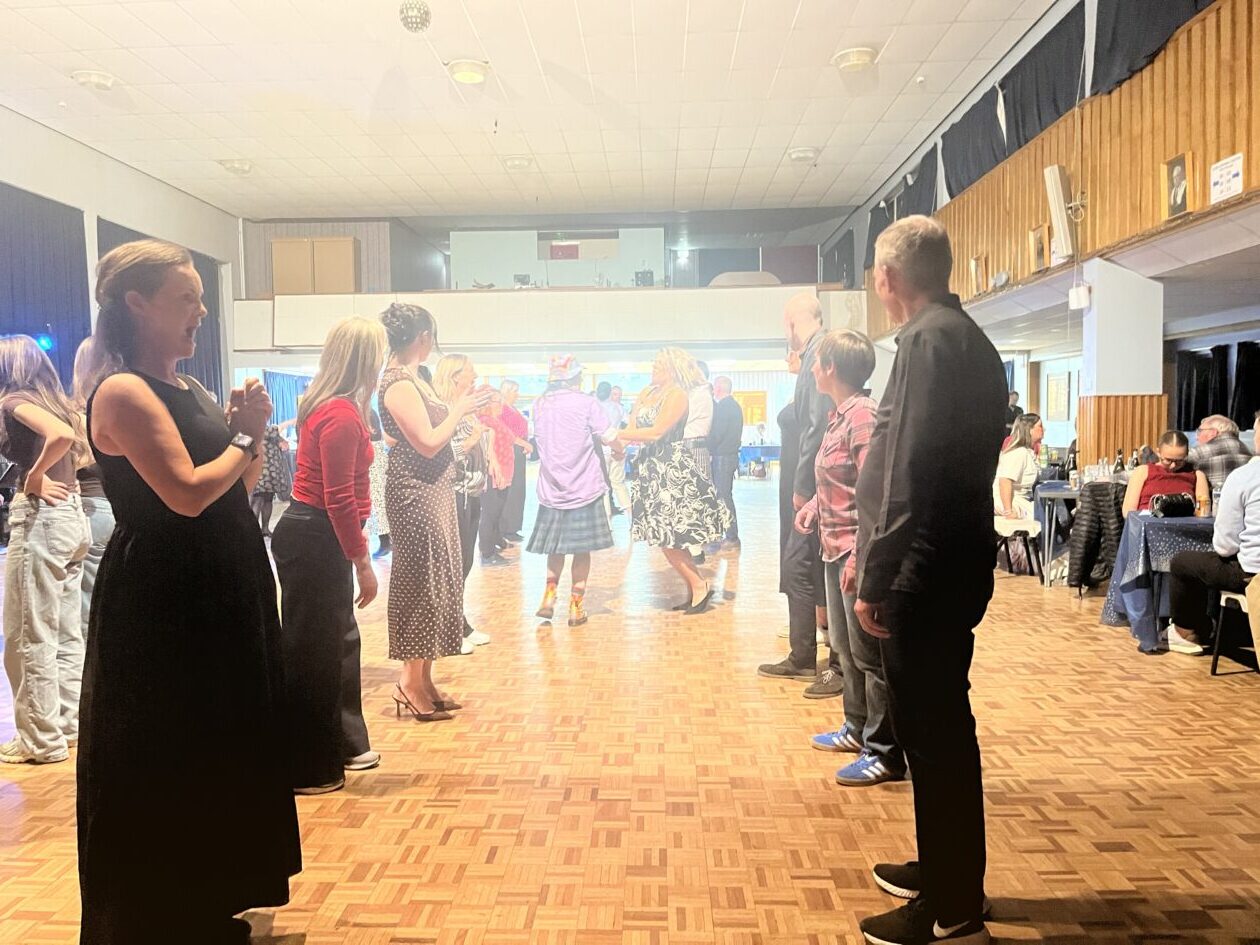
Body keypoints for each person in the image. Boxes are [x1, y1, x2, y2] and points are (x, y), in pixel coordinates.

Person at [80, 239, 300, 943]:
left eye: (201, 298)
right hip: (164, 604)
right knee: (164, 754)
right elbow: (183, 493)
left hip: (218, 595)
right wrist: (243, 437)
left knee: (216, 747)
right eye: (187, 298)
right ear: (136, 304)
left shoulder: (190, 387)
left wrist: (249, 436)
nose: (201, 311)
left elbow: (233, 483)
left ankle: (207, 901)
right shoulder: (122, 392)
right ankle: (158, 917)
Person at [853, 216, 1007, 945]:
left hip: (924, 568)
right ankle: (949, 872)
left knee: (933, 733)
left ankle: (949, 906)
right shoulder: (967, 335)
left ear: (888, 279)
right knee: (942, 729)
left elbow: (910, 469)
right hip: (955, 560)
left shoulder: (924, 341)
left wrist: (877, 572)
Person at [272, 317, 385, 796]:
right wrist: (363, 562)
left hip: (316, 534)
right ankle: (309, 765)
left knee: (334, 643)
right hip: (315, 534)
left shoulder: (334, 408)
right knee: (314, 653)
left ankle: (341, 745)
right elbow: (337, 498)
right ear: (367, 358)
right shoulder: (339, 414)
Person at [796, 330, 906, 788]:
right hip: (832, 546)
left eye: (817, 361)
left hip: (852, 553)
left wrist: (862, 559)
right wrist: (813, 507)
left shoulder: (861, 416)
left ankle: (884, 752)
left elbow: (875, 493)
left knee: (870, 656)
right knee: (844, 650)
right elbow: (839, 484)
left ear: (831, 369)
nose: (812, 368)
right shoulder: (839, 415)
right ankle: (856, 728)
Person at [378, 302, 489, 722]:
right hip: (416, 493)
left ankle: (424, 680)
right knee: (421, 581)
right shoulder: (397, 382)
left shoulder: (412, 378)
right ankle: (410, 682)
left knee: (438, 579)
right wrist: (460, 409)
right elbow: (426, 442)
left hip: (433, 490)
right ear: (423, 337)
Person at [0, 335, 92, 766]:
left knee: (26, 635)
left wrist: (33, 476)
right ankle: (67, 727)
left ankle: (40, 740)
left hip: (41, 518)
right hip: (73, 516)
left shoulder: (14, 399)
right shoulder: (59, 400)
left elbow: (59, 436)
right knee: (65, 632)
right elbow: (79, 446)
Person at [617, 346, 730, 613]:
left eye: (659, 364)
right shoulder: (646, 392)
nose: (653, 368)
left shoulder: (678, 395)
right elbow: (634, 426)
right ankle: (696, 586)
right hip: (649, 468)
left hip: (670, 469)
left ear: (673, 368)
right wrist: (621, 441)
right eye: (653, 363)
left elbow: (657, 432)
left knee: (670, 536)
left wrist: (619, 435)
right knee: (663, 536)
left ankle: (698, 586)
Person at [759, 294, 833, 682]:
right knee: (803, 566)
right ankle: (804, 654)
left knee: (803, 565)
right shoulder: (814, 357)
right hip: (807, 485)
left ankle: (808, 657)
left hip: (809, 488)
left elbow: (815, 428)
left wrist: (803, 487)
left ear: (791, 323)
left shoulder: (818, 355)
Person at [528, 356, 616, 627]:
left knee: (555, 548)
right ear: (575, 378)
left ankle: (549, 595)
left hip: (552, 490)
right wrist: (622, 451)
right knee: (582, 549)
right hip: (584, 488)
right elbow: (609, 436)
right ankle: (576, 608)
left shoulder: (538, 404)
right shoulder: (586, 403)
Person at [1166, 459, 1259, 654]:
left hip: (1252, 574)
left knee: (1182, 562)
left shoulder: (1244, 476)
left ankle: (1185, 633)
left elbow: (1225, 547)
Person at [434, 354, 492, 653]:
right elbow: (438, 451)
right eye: (471, 372)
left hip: (472, 494)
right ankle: (449, 630)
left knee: (464, 564)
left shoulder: (465, 410)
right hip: (455, 494)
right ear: (456, 376)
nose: (476, 375)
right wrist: (470, 444)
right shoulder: (444, 410)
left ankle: (459, 623)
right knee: (453, 566)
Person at [71, 336, 116, 704]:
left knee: (89, 612)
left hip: (92, 509)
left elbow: (79, 465)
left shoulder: (81, 411)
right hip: (123, 513)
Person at [1122, 430, 1210, 516]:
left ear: (1186, 455)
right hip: (1147, 524)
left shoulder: (1197, 475)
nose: (1173, 465)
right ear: (1158, 452)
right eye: (1168, 460)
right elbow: (1128, 511)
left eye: (1179, 461)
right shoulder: (1142, 471)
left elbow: (1203, 511)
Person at [478, 392, 517, 565]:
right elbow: (489, 450)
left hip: (504, 471)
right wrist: (496, 470)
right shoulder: (484, 421)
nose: (500, 404)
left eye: (501, 401)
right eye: (496, 401)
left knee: (497, 512)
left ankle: (493, 544)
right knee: (490, 513)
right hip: (494, 473)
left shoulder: (496, 420)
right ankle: (487, 553)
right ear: (487, 403)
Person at [708, 375, 744, 546]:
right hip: (730, 456)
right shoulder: (734, 406)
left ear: (719, 388)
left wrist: (705, 445)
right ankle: (728, 533)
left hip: (722, 457)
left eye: (714, 386)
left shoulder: (724, 407)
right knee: (724, 495)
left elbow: (718, 433)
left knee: (723, 497)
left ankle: (731, 536)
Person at [993, 413, 1044, 519]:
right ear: (1030, 430)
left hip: (1022, 500)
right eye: (1040, 426)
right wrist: (1009, 511)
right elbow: (1005, 481)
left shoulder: (1028, 452)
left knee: (1051, 509)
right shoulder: (1018, 453)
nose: (1044, 429)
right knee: (1046, 514)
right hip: (1010, 502)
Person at [500, 379, 533, 542]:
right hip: (510, 450)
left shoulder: (514, 409)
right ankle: (507, 527)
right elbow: (504, 432)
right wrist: (522, 442)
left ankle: (513, 526)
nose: (517, 394)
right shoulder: (502, 409)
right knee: (512, 489)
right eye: (515, 390)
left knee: (519, 490)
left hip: (519, 452)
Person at [1190, 415, 1253, 494]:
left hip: (1214, 503)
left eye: (1200, 431)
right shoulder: (1251, 454)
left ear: (1213, 432)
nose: (1196, 437)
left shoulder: (1197, 453)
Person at [250, 421, 291, 537]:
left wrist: (282, 441)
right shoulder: (257, 428)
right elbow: (275, 430)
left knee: (268, 499)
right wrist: (290, 422)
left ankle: (265, 529)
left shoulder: (270, 431)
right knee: (257, 500)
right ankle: (253, 532)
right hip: (261, 470)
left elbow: (283, 445)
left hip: (271, 470)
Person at [595, 381, 630, 516]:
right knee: (619, 483)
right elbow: (630, 423)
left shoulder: (594, 407)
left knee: (603, 486)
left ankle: (607, 521)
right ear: (610, 393)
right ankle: (631, 516)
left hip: (600, 450)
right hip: (616, 447)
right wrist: (623, 441)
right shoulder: (618, 408)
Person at [366, 406, 393, 557]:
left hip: (373, 456)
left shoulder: (366, 412)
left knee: (377, 503)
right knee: (378, 503)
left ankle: (385, 542)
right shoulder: (367, 411)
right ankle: (385, 542)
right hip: (376, 454)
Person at [683, 358, 714, 481]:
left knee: (697, 494)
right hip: (689, 447)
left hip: (694, 448)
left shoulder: (700, 394)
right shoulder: (696, 393)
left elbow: (680, 419)